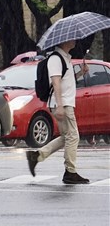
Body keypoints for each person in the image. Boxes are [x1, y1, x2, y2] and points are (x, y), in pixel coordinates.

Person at [26, 40, 90, 184]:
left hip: (64, 103)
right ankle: (70, 172)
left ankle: (36, 156)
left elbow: (65, 81)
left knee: (66, 137)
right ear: (64, 41)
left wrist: (81, 72)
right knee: (73, 136)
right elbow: (55, 82)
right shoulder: (56, 59)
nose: (74, 41)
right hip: (62, 104)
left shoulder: (66, 58)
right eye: (71, 39)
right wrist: (60, 105)